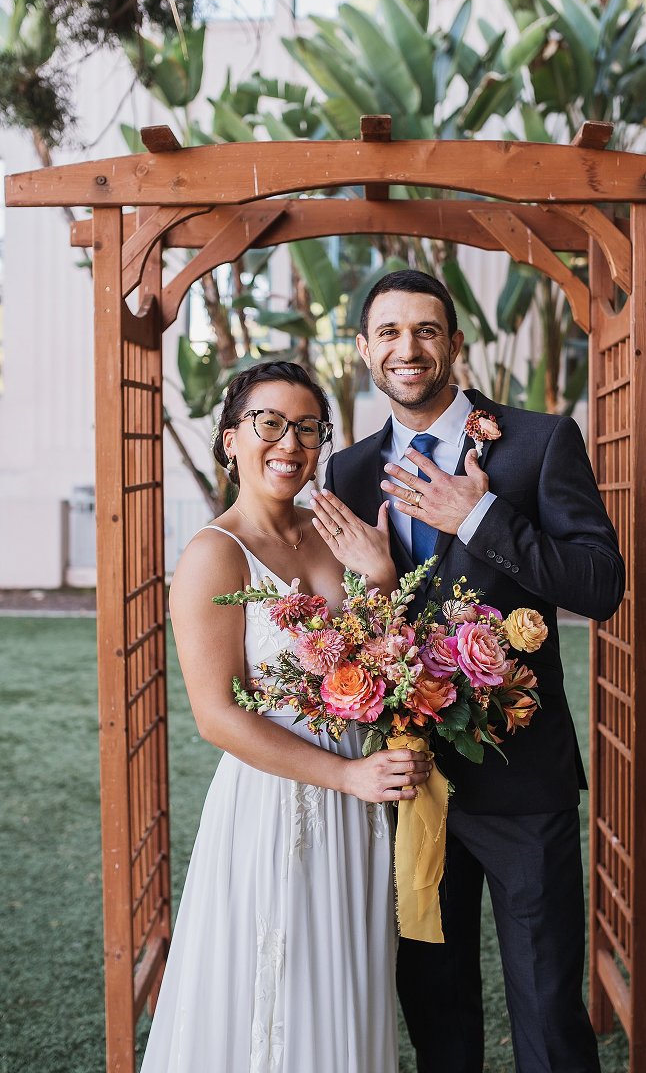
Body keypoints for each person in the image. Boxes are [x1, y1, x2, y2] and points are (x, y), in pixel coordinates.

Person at [323, 269, 626, 1073]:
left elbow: (601, 587)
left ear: (455, 344)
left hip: (523, 781)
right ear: (362, 350)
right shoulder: (347, 475)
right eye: (387, 332)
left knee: (549, 1011)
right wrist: (375, 593)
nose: (406, 348)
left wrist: (479, 517)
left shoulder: (538, 442)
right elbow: (347, 632)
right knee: (436, 1013)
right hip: (411, 782)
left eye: (426, 330)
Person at [140, 361, 431, 1073]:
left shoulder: (336, 532)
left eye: (307, 428)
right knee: (277, 986)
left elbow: (384, 660)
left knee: (349, 985)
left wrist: (384, 578)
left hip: (358, 814)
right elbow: (216, 716)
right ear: (231, 439)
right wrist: (350, 774)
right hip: (275, 808)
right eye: (269, 423)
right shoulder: (213, 556)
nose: (290, 443)